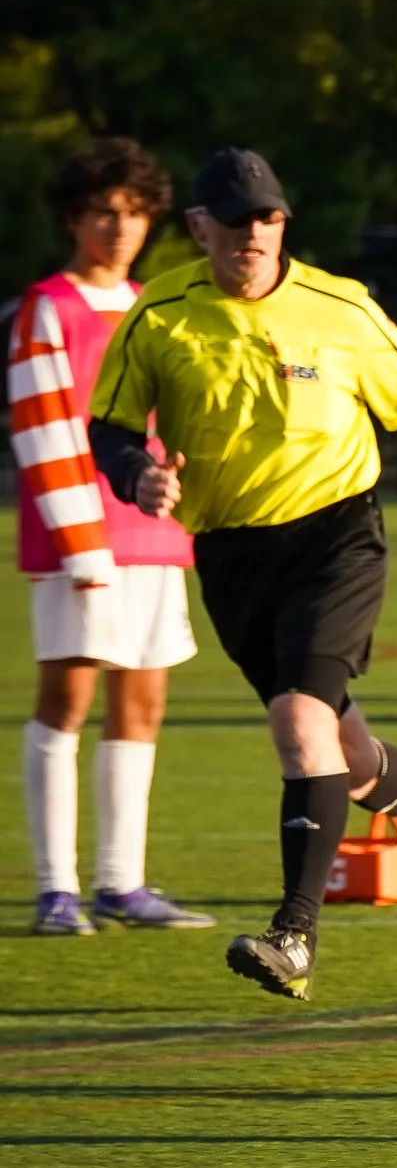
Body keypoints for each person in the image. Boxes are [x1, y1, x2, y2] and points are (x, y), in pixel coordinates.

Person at [88, 148, 397, 1000]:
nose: (255, 233)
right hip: (231, 554)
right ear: (199, 229)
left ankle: (295, 934)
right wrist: (137, 471)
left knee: (297, 721)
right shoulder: (161, 314)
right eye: (237, 218)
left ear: (284, 224)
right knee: (344, 756)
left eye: (270, 217)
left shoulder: (342, 307)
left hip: (337, 537)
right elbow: (107, 425)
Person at [13, 140, 214, 937]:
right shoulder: (47, 307)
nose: (119, 226)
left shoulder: (154, 304)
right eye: (104, 212)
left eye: (133, 213)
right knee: (67, 700)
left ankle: (120, 883)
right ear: (72, 217)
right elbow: (40, 428)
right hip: (80, 540)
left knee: (145, 701)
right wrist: (81, 543)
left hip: (154, 532)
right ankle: (56, 888)